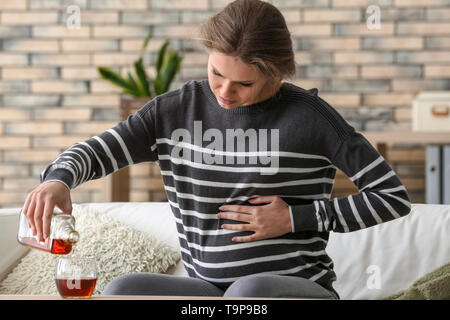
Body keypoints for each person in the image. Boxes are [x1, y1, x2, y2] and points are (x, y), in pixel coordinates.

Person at [22, 0, 411, 299]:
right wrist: (58, 180)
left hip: (292, 290)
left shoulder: (312, 118)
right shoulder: (174, 111)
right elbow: (96, 150)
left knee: (248, 295)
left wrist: (295, 218)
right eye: (216, 74)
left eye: (243, 83)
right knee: (123, 291)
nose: (224, 92)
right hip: (209, 295)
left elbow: (392, 198)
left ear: (276, 72)